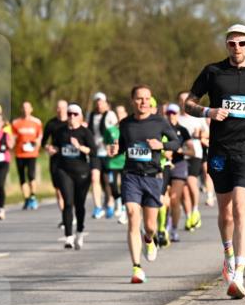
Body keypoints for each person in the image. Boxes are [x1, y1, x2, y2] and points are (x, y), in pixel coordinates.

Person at [185, 24, 245, 298]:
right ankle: (228, 252)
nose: (237, 48)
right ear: (226, 45)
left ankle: (239, 273)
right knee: (225, 213)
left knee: (240, 207)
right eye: (232, 43)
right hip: (220, 151)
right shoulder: (212, 71)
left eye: (242, 43)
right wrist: (208, 111)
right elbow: (189, 102)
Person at [108, 85, 181, 283]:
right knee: (132, 214)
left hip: (152, 177)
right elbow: (123, 146)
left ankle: (149, 239)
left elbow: (177, 142)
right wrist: (115, 149)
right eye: (139, 98)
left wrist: (162, 145)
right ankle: (136, 268)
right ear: (132, 101)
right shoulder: (125, 124)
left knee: (149, 226)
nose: (143, 102)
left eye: (147, 98)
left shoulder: (159, 122)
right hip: (131, 176)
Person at [49, 103, 96, 249]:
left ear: (80, 116)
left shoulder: (85, 132)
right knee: (68, 202)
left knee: (79, 204)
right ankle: (68, 236)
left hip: (82, 172)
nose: (72, 117)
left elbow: (93, 151)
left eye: (75, 114)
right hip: (64, 170)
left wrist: (79, 147)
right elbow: (55, 146)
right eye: (69, 114)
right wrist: (52, 149)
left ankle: (79, 232)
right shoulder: (60, 132)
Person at [176, 91, 207, 230]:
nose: (183, 102)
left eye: (185, 99)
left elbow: (208, 132)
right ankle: (189, 216)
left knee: (191, 181)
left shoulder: (198, 117)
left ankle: (195, 210)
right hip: (180, 155)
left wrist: (199, 134)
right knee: (183, 190)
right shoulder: (177, 118)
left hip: (195, 154)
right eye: (181, 100)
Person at [164, 103, 193, 243]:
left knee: (175, 200)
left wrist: (181, 150)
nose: (171, 116)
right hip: (163, 165)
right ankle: (164, 226)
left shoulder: (183, 130)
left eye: (173, 113)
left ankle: (174, 229)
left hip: (179, 165)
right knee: (164, 201)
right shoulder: (160, 129)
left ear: (177, 114)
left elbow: (192, 151)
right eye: (168, 113)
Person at [89, 92, 119, 220]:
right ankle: (97, 207)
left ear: (105, 102)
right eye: (97, 101)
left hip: (107, 153)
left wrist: (112, 146)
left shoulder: (110, 115)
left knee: (108, 181)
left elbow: (116, 132)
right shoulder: (90, 115)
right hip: (95, 152)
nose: (99, 104)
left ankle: (110, 204)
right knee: (94, 178)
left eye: (101, 101)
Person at [11, 101, 43, 210]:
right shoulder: (16, 123)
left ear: (31, 109)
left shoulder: (36, 122)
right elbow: (13, 138)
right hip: (20, 153)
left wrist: (36, 147)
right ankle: (26, 199)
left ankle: (33, 196)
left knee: (31, 175)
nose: (25, 110)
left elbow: (39, 137)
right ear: (21, 109)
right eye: (23, 108)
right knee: (22, 177)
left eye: (27, 108)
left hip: (32, 154)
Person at [42, 100, 69, 216]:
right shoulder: (51, 123)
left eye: (63, 108)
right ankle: (64, 215)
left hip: (69, 158)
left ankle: (70, 213)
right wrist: (48, 147)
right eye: (58, 108)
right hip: (56, 158)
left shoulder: (71, 121)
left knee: (69, 188)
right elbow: (43, 142)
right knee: (58, 188)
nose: (60, 110)